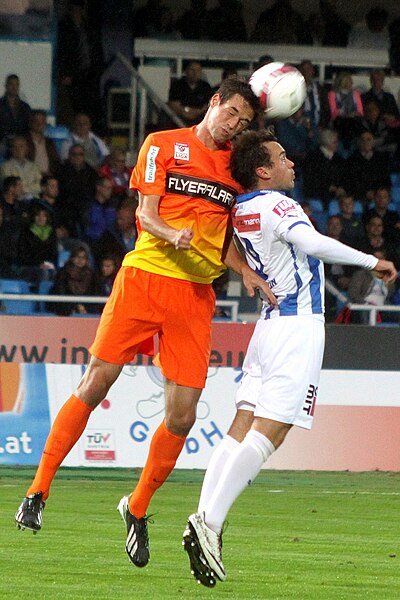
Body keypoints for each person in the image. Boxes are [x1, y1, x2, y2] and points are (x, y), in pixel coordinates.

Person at [14, 78, 276, 570]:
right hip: (145, 278)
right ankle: (38, 490)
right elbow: (145, 215)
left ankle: (136, 509)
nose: (237, 125)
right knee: (96, 383)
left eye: (245, 122)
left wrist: (246, 274)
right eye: (234, 114)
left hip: (195, 296)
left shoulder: (235, 172)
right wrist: (171, 233)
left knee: (182, 416)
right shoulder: (162, 145)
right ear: (215, 103)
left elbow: (226, 241)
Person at [181, 129, 397, 587]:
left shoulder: (239, 209)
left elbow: (229, 249)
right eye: (282, 158)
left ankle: (202, 516)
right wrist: (370, 260)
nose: (291, 164)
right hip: (297, 326)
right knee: (270, 432)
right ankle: (210, 525)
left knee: (240, 427)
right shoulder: (279, 205)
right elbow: (315, 244)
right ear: (262, 171)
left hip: (267, 328)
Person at [0, 135, 42, 200]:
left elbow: (39, 186)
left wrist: (23, 189)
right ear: (11, 149)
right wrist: (31, 188)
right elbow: (9, 188)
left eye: (21, 146)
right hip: (16, 202)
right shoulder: (5, 167)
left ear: (26, 148)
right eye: (15, 147)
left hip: (34, 202)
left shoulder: (34, 166)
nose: (18, 149)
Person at [0, 74, 31, 154]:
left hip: (20, 144)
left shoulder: (25, 107)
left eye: (16, 84)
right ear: (6, 86)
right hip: (2, 143)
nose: (14, 87)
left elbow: (28, 126)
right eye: (11, 84)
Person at [25, 110, 61, 176]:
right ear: (30, 123)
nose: (39, 124)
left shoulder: (49, 142)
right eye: (36, 121)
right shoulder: (24, 141)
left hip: (47, 178)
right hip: (30, 178)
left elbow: (56, 161)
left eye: (42, 121)